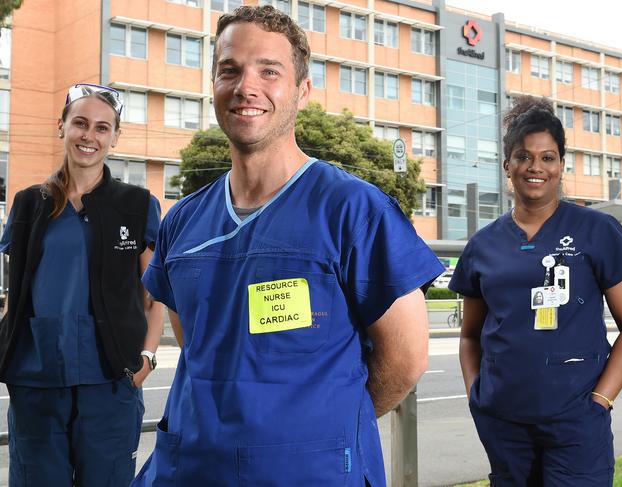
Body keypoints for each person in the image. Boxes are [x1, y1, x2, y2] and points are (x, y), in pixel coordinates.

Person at [133, 5, 444, 486]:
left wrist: (325, 426)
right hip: (195, 467)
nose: (245, 87)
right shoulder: (185, 221)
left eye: (269, 71)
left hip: (311, 471)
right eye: (229, 70)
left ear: (302, 91)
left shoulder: (353, 210)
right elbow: (198, 345)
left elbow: (407, 358)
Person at [450, 96, 622, 486]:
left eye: (548, 157)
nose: (535, 167)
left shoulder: (597, 231)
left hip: (577, 424)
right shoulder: (483, 245)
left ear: (560, 165)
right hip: (503, 424)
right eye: (523, 157)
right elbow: (470, 335)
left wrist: (600, 401)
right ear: (507, 165)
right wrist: (478, 397)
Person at [0, 83, 164, 487]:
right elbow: (15, 294)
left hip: (110, 379)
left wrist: (146, 360)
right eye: (80, 123)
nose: (89, 135)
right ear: (62, 127)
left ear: (115, 137)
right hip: (36, 378)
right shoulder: (28, 204)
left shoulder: (137, 204)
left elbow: (159, 290)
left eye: (102, 127)